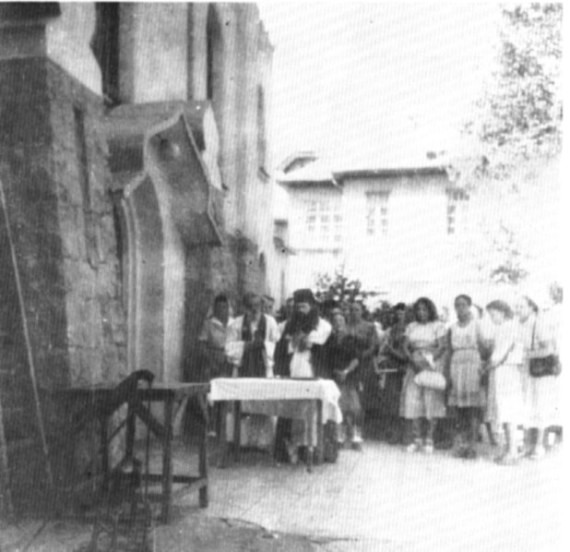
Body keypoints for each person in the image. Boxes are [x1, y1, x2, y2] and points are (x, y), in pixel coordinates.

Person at [273, 288, 332, 464]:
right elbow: (281, 350)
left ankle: (311, 449)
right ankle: (289, 448)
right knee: (290, 411)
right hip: (291, 372)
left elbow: (321, 348)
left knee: (312, 413)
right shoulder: (286, 325)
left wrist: (306, 343)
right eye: (297, 307)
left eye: (304, 307)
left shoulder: (323, 326)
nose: (300, 311)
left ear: (313, 306)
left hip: (313, 371)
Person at [224, 292, 280, 449]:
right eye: (250, 306)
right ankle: (240, 442)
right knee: (240, 405)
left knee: (265, 405)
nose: (254, 310)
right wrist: (246, 346)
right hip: (243, 370)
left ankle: (263, 443)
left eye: (257, 306)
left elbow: (276, 345)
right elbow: (228, 348)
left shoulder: (270, 323)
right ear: (244, 307)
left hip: (264, 370)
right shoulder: (235, 324)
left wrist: (263, 345)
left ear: (261, 306)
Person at [515, 294, 561, 460]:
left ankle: (539, 445)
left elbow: (549, 349)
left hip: (540, 372)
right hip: (526, 372)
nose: (517, 310)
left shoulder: (539, 324)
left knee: (540, 406)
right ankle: (528, 444)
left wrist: (527, 355)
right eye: (516, 307)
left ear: (531, 307)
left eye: (521, 307)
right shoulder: (519, 325)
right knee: (527, 406)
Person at [400, 297, 447, 454]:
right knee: (413, 401)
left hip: (431, 363)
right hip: (413, 365)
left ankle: (430, 438)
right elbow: (405, 346)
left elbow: (442, 347)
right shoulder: (411, 326)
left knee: (431, 401)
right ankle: (416, 438)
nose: (421, 312)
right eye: (418, 309)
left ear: (430, 310)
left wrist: (428, 361)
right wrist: (413, 361)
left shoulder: (438, 326)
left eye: (424, 309)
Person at [482, 300, 525, 465]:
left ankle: (512, 451)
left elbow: (499, 355)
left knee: (508, 411)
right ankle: (509, 449)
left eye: (493, 314)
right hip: (501, 372)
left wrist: (486, 367)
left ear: (502, 312)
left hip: (506, 372)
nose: (492, 318)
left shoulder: (508, 327)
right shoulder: (502, 328)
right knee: (504, 411)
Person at [447, 294, 485, 459]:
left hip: (472, 363)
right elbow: (449, 350)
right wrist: (448, 371)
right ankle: (461, 444)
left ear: (470, 306)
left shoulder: (477, 324)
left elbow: (484, 347)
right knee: (460, 408)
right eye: (457, 305)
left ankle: (473, 446)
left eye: (463, 305)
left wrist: (482, 367)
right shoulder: (452, 327)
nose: (460, 308)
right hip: (457, 364)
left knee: (472, 408)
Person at [344, 302, 380, 449]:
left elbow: (374, 347)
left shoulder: (369, 327)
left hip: (364, 367)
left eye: (357, 309)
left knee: (360, 402)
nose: (354, 312)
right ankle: (347, 432)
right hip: (348, 367)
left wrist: (360, 357)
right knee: (347, 401)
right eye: (351, 309)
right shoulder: (345, 326)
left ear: (362, 311)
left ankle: (358, 434)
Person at [197, 293, 233, 435]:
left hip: (230, 361)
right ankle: (211, 426)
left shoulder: (234, 323)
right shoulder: (209, 324)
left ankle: (227, 428)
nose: (222, 310)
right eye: (219, 308)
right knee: (211, 395)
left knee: (229, 393)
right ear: (215, 308)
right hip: (213, 361)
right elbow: (202, 344)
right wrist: (211, 361)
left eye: (225, 307)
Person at [376, 302, 408, 444]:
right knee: (392, 401)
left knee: (405, 400)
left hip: (406, 368)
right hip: (392, 368)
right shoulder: (390, 330)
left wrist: (392, 351)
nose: (399, 316)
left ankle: (405, 434)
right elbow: (383, 350)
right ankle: (394, 433)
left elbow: (408, 352)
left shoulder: (410, 329)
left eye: (402, 313)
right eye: (397, 313)